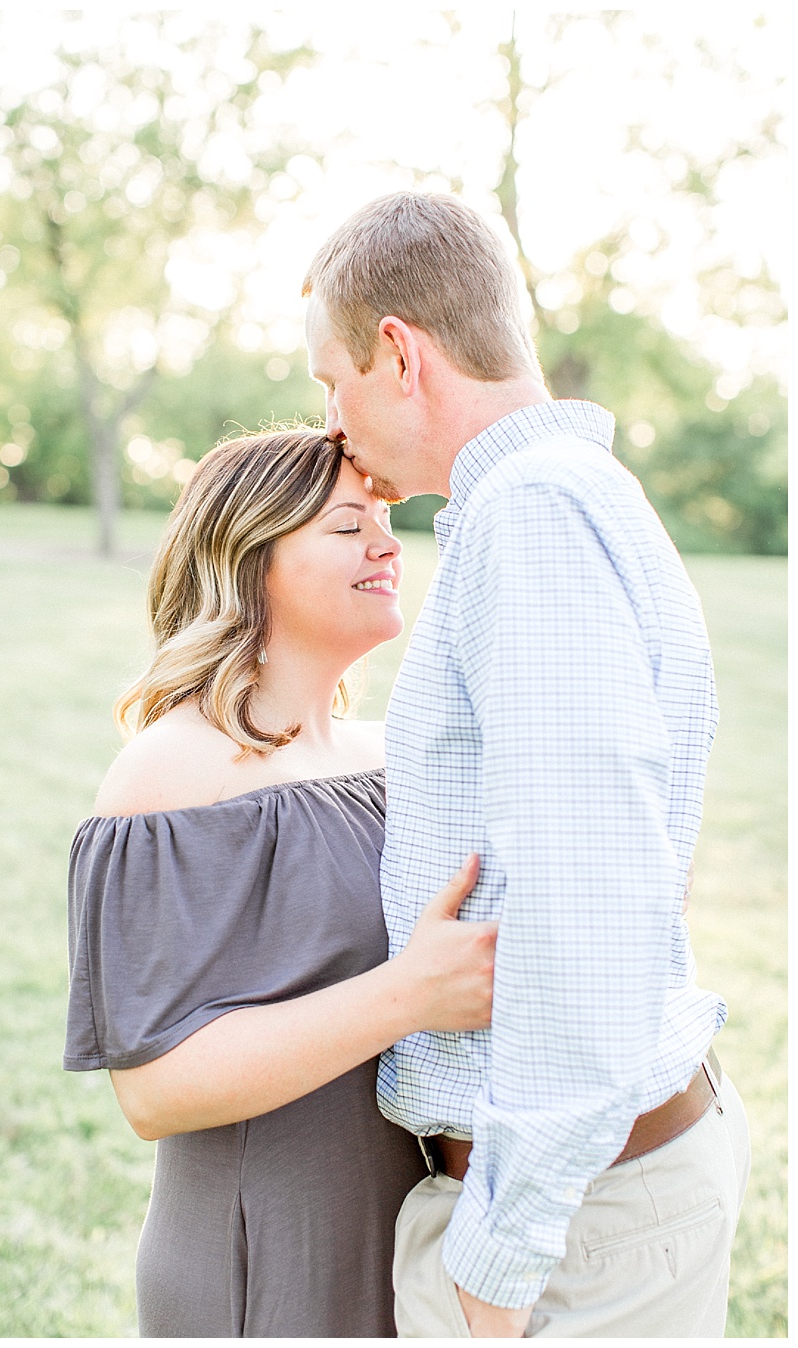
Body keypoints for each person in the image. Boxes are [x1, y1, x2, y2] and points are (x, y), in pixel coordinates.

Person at [302, 191, 748, 1337]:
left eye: (330, 380)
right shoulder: (574, 497)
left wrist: (499, 1259)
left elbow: (587, 895)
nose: (333, 420)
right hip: (601, 1199)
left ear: (397, 352)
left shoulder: (531, 517)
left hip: (568, 1235)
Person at [64, 427, 498, 1337]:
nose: (388, 543)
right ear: (252, 558)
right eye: (349, 526)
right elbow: (155, 1092)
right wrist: (411, 992)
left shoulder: (391, 757)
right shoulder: (171, 773)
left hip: (414, 1236)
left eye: (385, 516)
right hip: (268, 1255)